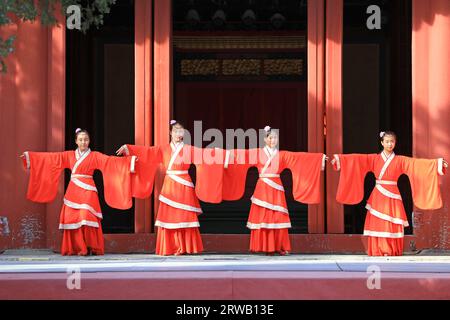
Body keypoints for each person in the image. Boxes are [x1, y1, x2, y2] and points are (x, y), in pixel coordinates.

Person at [21, 128, 137, 256]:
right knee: (72, 218)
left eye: (86, 139)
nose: (83, 142)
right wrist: (30, 157)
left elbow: (110, 162)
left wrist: (129, 161)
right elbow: (52, 158)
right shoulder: (69, 155)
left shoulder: (95, 156)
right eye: (81, 140)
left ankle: (90, 246)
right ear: (76, 141)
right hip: (73, 190)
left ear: (89, 141)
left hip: (88, 190)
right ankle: (76, 248)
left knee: (86, 216)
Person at [116, 120, 225, 256]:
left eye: (181, 131)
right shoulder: (163, 149)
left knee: (184, 216)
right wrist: (129, 148)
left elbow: (204, 154)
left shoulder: (188, 149)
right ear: (170, 133)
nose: (178, 134)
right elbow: (148, 152)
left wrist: (218, 153)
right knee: (170, 216)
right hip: (170, 185)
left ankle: (185, 247)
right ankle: (171, 247)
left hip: (184, 184)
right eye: (176, 131)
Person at [331, 131, 448, 256]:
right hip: (378, 193)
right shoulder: (374, 158)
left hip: (393, 192)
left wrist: (437, 164)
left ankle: (391, 250)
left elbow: (416, 165)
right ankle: (378, 249)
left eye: (392, 141)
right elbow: (357, 159)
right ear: (382, 143)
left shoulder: (400, 160)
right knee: (378, 221)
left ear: (395, 143)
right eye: (387, 141)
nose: (389, 144)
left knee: (392, 221)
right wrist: (340, 160)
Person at [222, 126, 326, 255]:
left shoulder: (282, 155)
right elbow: (243, 154)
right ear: (265, 139)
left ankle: (279, 246)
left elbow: (299, 158)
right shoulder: (258, 153)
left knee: (277, 217)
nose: (273, 140)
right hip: (263, 187)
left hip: (276, 187)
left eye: (275, 138)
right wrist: (225, 154)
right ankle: (264, 246)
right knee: (263, 215)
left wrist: (318, 159)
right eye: (270, 138)